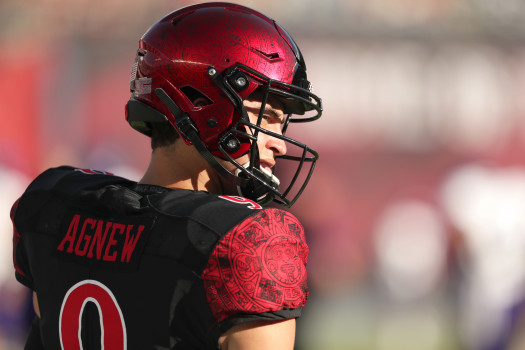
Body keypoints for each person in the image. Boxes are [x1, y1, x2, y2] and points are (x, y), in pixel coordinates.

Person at [11, 2, 322, 349]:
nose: (278, 144)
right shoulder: (244, 238)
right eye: (265, 116)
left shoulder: (55, 203)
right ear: (202, 103)